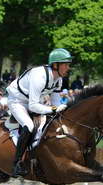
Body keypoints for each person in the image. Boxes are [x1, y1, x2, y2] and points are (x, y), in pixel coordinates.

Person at [6, 48, 72, 176]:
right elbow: (34, 106)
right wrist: (53, 109)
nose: (68, 68)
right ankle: (17, 163)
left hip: (34, 102)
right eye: (65, 65)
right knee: (29, 126)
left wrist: (59, 110)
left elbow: (56, 103)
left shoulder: (58, 79)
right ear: (55, 65)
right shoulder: (39, 76)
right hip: (17, 101)